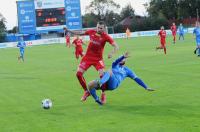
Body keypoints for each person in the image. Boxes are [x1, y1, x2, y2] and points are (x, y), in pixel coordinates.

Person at [65, 21, 119, 103]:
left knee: (102, 76)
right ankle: (86, 91)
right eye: (98, 27)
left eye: (101, 28)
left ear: (104, 29)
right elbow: (80, 33)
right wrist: (69, 30)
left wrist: (112, 53)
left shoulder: (106, 36)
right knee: (78, 74)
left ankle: (103, 94)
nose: (99, 29)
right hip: (87, 58)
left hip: (98, 59)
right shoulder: (91, 32)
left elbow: (116, 46)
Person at [87, 52, 154, 105]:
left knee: (109, 71)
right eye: (121, 59)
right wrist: (123, 56)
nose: (121, 60)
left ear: (125, 61)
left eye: (123, 59)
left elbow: (136, 79)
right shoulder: (114, 65)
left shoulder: (127, 70)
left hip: (114, 83)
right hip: (106, 82)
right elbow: (116, 61)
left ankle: (101, 83)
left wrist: (146, 87)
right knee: (90, 85)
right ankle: (97, 100)